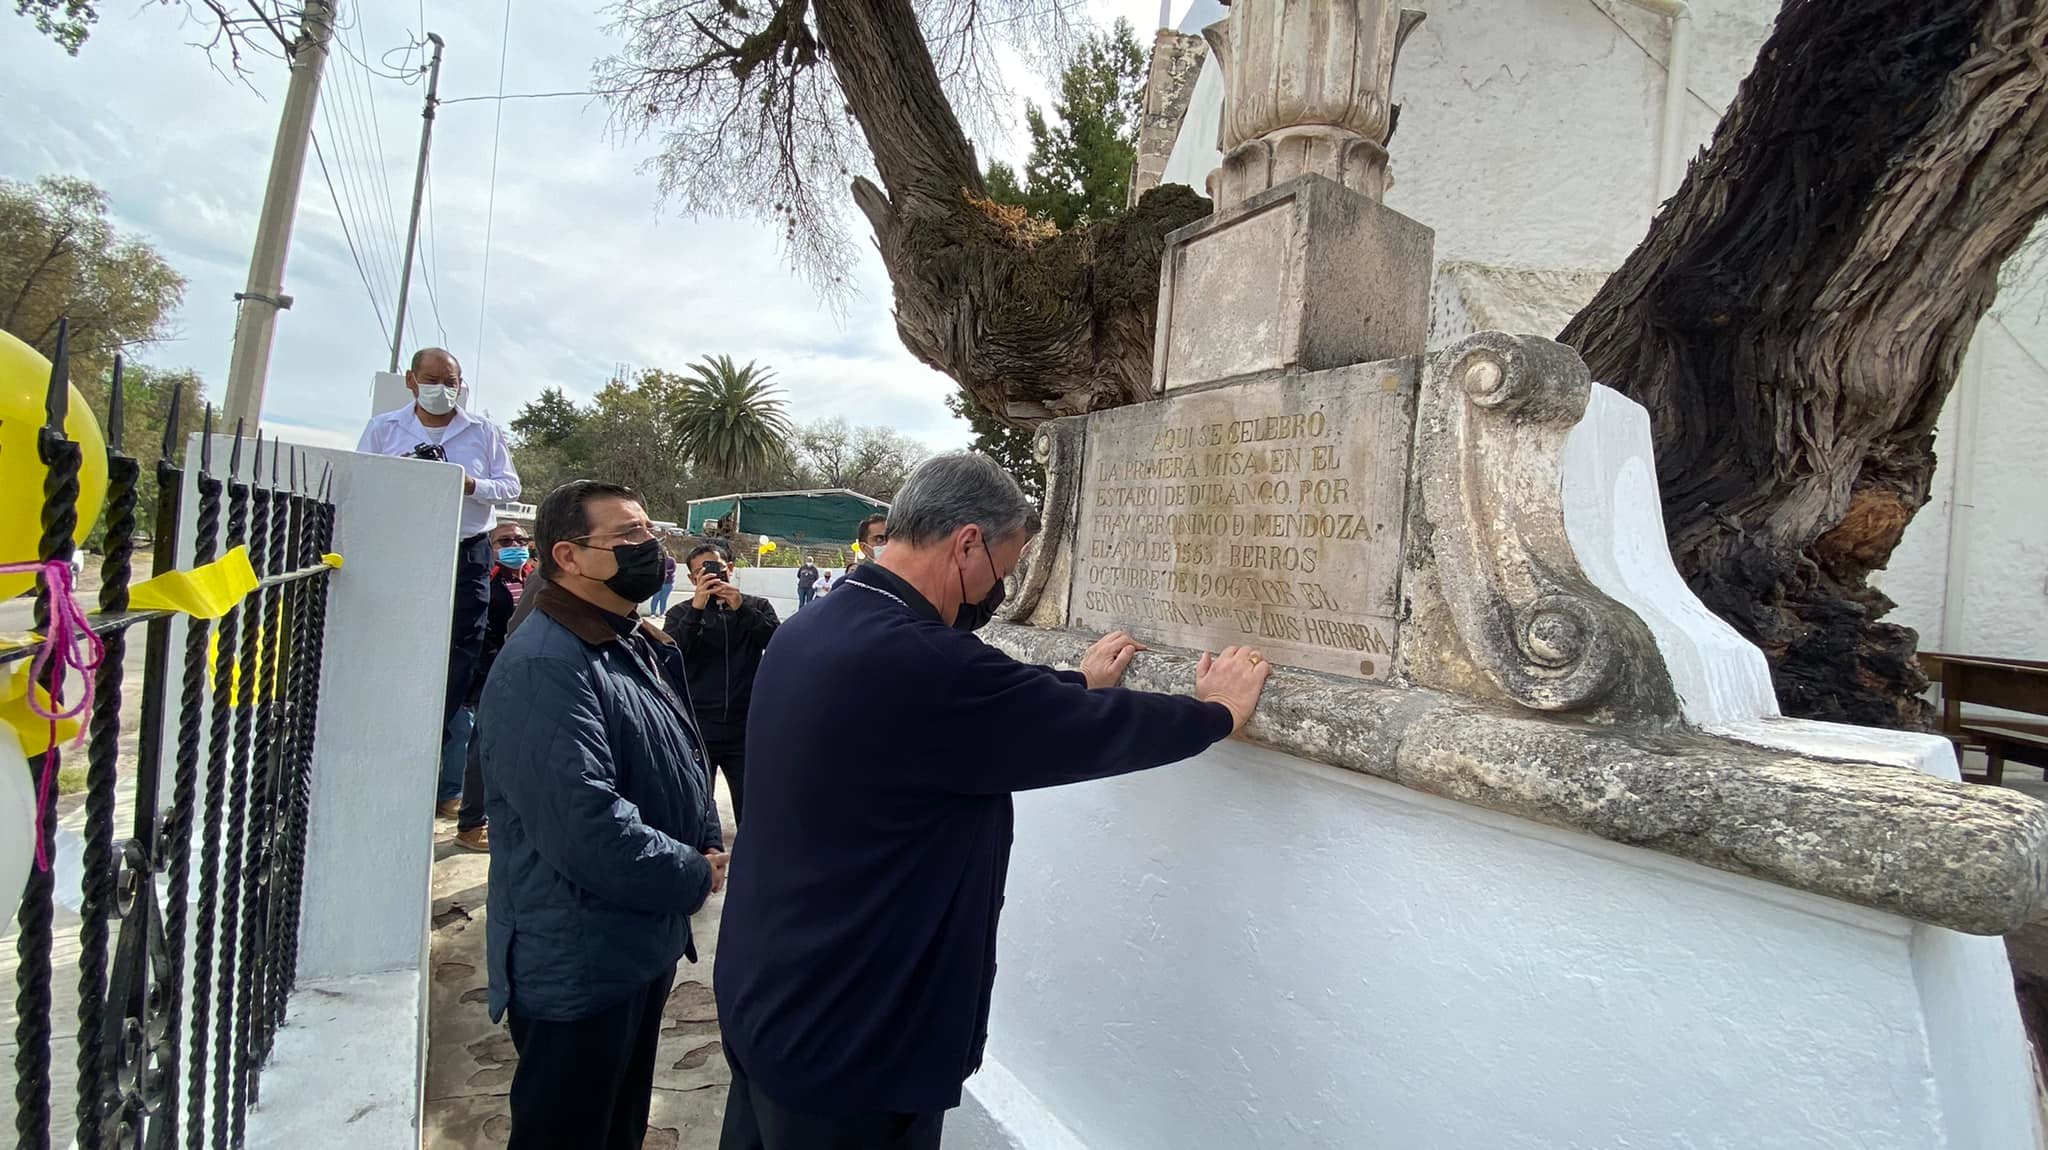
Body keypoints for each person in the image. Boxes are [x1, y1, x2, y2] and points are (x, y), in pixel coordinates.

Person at [714, 453, 1270, 1149]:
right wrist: (1213, 712)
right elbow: (1049, 721)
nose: (999, 589)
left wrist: (1078, 683)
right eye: (1004, 569)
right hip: (852, 1039)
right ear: (968, 542)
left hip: (772, 1000)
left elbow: (989, 705)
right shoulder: (921, 662)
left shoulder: (820, 628)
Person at [479, 479, 729, 1150]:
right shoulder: (543, 663)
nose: (651, 547)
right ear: (568, 555)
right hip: (577, 961)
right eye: (628, 537)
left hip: (633, 941)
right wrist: (692, 873)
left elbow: (675, 753)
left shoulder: (628, 640)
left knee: (616, 1128)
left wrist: (702, 837)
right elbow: (584, 824)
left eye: (650, 532)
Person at [357, 347, 521, 820]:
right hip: (406, 545)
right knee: (400, 635)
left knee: (463, 643)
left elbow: (509, 487)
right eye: (431, 379)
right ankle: (398, 726)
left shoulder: (483, 432)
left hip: (465, 547)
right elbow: (364, 480)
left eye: (451, 380)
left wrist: (469, 484)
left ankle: (439, 722)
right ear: (412, 380)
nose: (442, 388)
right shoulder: (385, 429)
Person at [663, 541, 781, 824]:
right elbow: (670, 656)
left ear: (730, 568)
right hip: (698, 728)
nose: (711, 575)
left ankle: (748, 866)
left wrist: (741, 609)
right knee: (697, 808)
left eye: (716, 567)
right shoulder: (680, 614)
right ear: (692, 578)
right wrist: (697, 610)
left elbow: (777, 645)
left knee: (753, 810)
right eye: (702, 571)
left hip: (746, 727)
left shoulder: (756, 606)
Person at [451, 520, 535, 852]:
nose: (515, 545)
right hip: (493, 673)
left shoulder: (532, 577)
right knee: (482, 748)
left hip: (528, 674)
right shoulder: (486, 581)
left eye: (520, 539)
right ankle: (470, 823)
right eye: (505, 540)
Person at [650, 548, 677, 616]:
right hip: (658, 582)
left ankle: (662, 613)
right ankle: (653, 613)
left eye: (665, 552)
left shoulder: (671, 560)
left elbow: (673, 569)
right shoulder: (658, 560)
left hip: (668, 583)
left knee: (664, 599)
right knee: (655, 597)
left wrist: (665, 572)